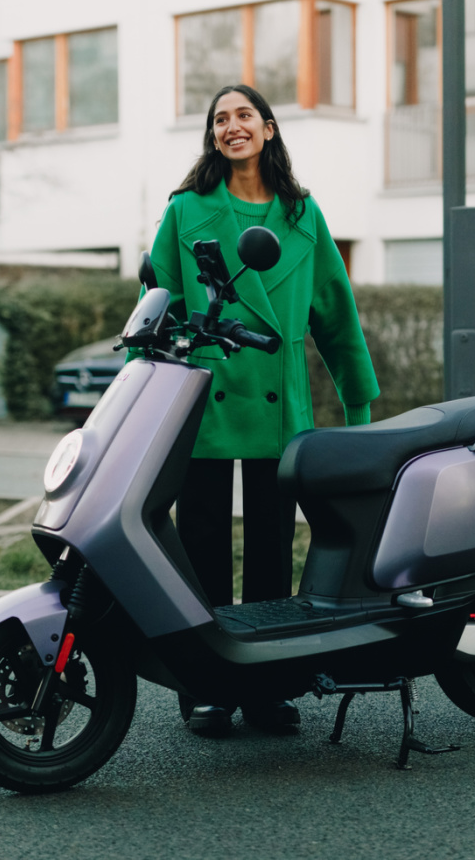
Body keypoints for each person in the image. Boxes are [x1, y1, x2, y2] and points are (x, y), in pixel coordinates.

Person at [147, 84, 379, 734]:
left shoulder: (304, 214)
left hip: (281, 406)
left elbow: (335, 310)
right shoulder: (186, 211)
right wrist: (146, 389)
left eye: (243, 115)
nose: (231, 126)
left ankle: (268, 685)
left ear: (269, 129)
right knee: (202, 547)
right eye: (220, 119)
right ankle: (209, 685)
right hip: (204, 399)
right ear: (213, 136)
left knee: (275, 550)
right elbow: (155, 302)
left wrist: (358, 402)